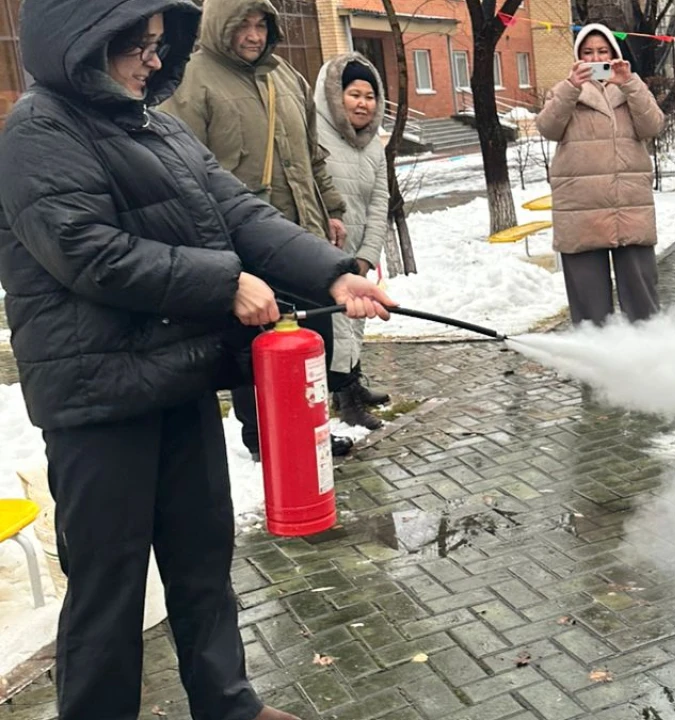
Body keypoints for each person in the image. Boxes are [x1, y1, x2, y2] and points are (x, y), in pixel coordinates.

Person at [0, 2, 395, 719]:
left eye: (158, 45)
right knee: (110, 587)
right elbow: (88, 252)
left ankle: (228, 705)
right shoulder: (39, 131)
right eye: (136, 47)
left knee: (202, 560)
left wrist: (334, 274)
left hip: (175, 377)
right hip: (98, 399)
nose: (153, 61)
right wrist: (224, 283)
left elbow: (241, 214)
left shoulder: (154, 127)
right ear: (81, 44)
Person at [159, 0, 356, 460]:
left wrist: (330, 208)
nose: (254, 36)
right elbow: (180, 177)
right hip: (244, 251)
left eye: (261, 25)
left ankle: (310, 430)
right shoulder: (190, 82)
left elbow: (312, 154)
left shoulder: (286, 76)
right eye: (242, 25)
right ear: (218, 25)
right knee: (258, 352)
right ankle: (265, 441)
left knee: (313, 343)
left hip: (303, 241)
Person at [535, 23, 665, 326]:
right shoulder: (564, 91)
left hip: (629, 207)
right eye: (588, 52)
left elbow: (653, 126)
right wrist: (571, 87)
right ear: (578, 57)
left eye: (602, 51)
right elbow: (548, 128)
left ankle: (651, 351)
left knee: (642, 302)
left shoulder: (630, 87)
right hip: (581, 210)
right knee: (590, 308)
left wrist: (629, 83)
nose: (596, 58)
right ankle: (596, 354)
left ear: (614, 54)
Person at [313, 53, 392, 430]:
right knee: (337, 324)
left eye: (370, 96)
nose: (363, 104)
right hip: (323, 249)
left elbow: (380, 200)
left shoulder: (374, 144)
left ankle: (353, 382)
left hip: (359, 249)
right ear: (335, 95)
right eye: (354, 94)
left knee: (356, 320)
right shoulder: (314, 133)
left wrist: (368, 254)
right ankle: (344, 398)